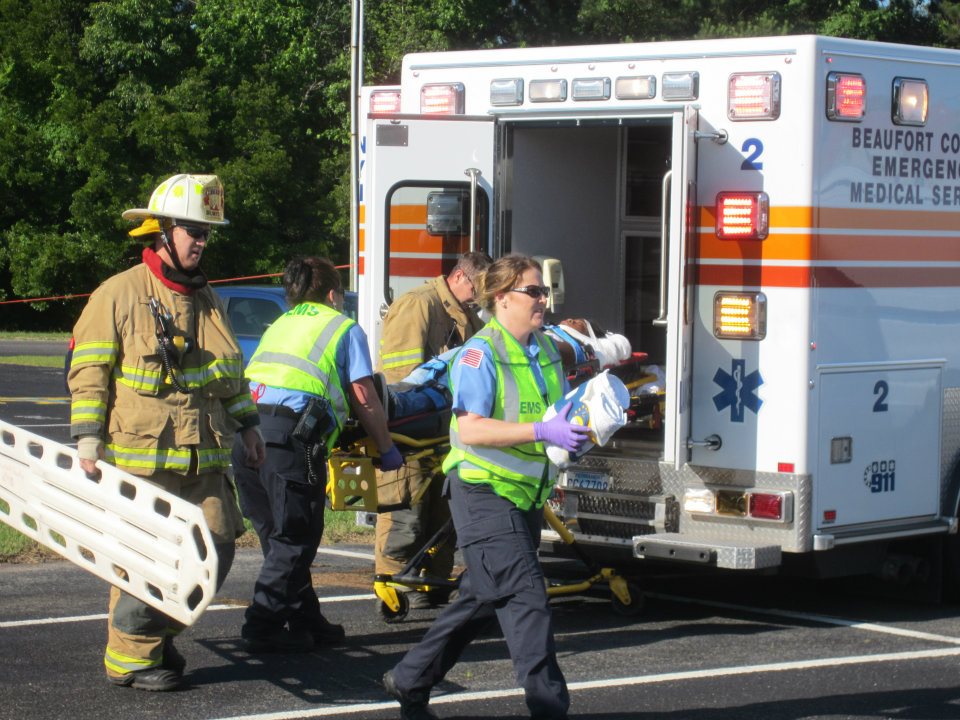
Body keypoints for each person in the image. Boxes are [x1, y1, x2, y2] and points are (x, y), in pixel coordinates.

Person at [68, 173, 265, 692]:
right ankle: (131, 657)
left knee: (216, 551)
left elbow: (230, 378)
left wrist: (248, 426)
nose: (201, 241)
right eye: (192, 230)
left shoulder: (208, 301)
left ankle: (151, 638)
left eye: (206, 233)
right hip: (143, 460)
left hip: (205, 460)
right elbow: (89, 370)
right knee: (145, 559)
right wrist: (88, 436)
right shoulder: (119, 294)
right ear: (161, 232)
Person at [382, 254, 589, 720]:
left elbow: (552, 416)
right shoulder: (480, 353)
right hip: (484, 495)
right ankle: (550, 709)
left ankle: (410, 678)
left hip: (524, 497)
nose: (542, 299)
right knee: (526, 600)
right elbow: (471, 430)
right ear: (501, 299)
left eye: (543, 291)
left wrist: (578, 431)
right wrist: (542, 433)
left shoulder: (546, 351)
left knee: (481, 596)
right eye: (532, 291)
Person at [233, 256, 403, 653]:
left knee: (278, 539)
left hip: (247, 439)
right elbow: (364, 397)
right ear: (332, 294)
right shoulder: (343, 327)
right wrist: (387, 447)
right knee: (295, 539)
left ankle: (306, 619)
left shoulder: (281, 323)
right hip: (290, 441)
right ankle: (260, 625)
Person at [375, 252, 492, 608]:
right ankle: (391, 584)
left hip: (446, 432)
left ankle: (435, 581)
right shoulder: (418, 305)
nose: (480, 300)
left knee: (445, 512)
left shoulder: (467, 316)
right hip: (412, 430)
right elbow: (402, 380)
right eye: (478, 289)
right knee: (405, 512)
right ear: (459, 276)